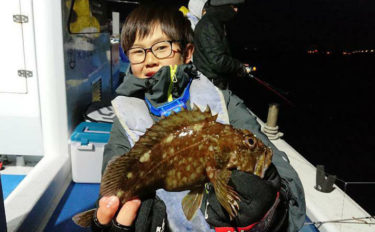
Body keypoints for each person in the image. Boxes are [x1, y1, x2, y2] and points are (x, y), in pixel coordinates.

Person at [92, 3, 305, 232]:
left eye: (161, 47)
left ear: (188, 53)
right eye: (137, 51)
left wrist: (275, 212)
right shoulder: (125, 120)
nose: (149, 59)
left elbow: (287, 181)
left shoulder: (224, 103)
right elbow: (112, 184)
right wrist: (106, 223)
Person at [193, 0, 251, 89]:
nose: (236, 10)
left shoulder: (216, 22)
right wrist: (239, 66)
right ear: (223, 7)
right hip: (212, 85)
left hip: (216, 82)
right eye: (233, 7)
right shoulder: (209, 25)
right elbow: (218, 61)